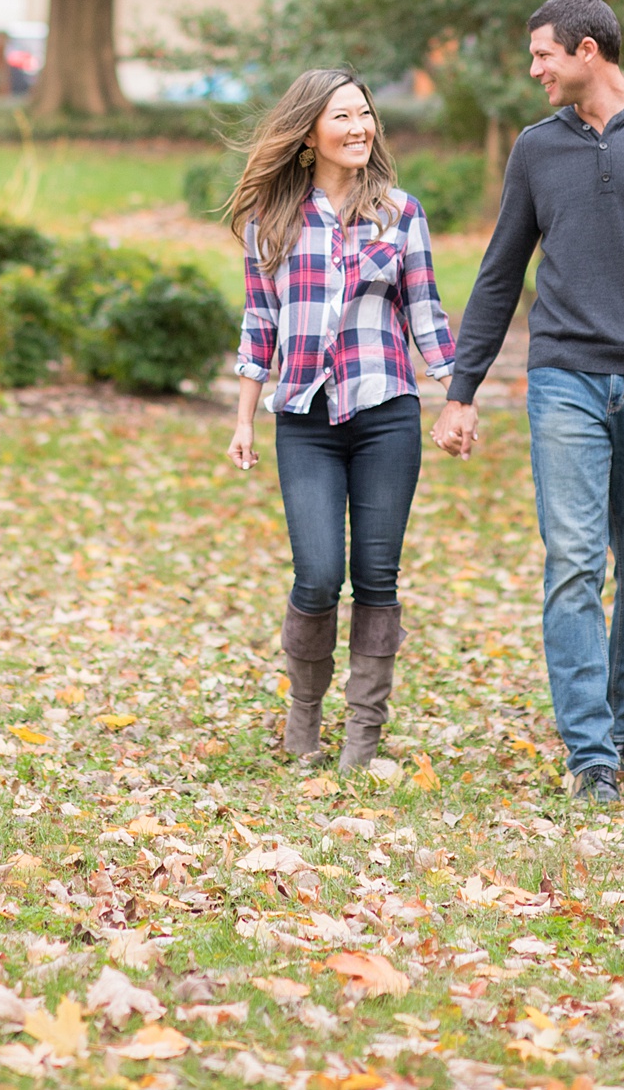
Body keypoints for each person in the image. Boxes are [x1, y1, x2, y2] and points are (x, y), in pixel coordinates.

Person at [433, 0, 624, 806]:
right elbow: (500, 273)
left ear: (588, 50)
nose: (534, 69)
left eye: (543, 54)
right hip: (563, 376)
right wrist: (462, 390)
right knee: (572, 561)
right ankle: (590, 756)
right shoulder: (537, 149)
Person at [227, 69, 457, 769]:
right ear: (309, 132)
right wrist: (243, 418)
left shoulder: (400, 211)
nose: (360, 127)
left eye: (365, 115)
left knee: (377, 575)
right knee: (318, 572)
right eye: (343, 116)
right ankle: (304, 719)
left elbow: (426, 312)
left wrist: (458, 393)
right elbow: (259, 322)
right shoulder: (270, 221)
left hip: (387, 412)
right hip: (303, 415)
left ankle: (363, 736)